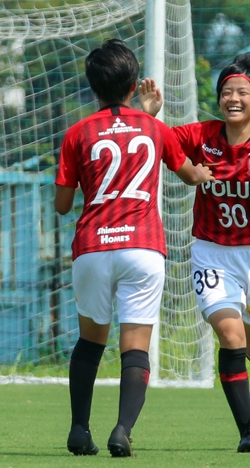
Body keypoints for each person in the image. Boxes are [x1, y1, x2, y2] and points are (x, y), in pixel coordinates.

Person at [55, 39, 214, 457]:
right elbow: (187, 175)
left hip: (92, 247)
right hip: (142, 247)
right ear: (132, 84)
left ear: (93, 86)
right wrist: (203, 171)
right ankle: (122, 430)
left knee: (90, 342)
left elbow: (62, 205)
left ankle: (78, 429)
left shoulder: (76, 133)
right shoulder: (155, 128)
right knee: (135, 346)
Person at [140, 52, 250, 452]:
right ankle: (247, 430)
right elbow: (155, 142)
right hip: (212, 253)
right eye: (226, 91)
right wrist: (149, 115)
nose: (232, 98)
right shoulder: (201, 135)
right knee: (231, 338)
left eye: (241, 92)